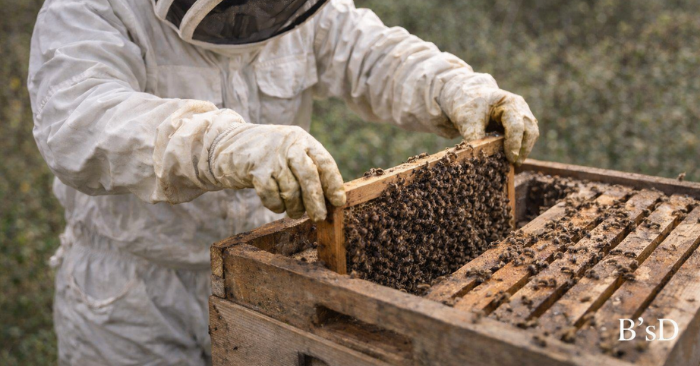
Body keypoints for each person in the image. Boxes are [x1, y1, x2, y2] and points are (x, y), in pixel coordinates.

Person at [28, 0, 539, 364]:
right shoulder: (89, 9)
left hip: (266, 272)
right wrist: (218, 146)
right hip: (134, 294)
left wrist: (453, 87)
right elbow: (77, 120)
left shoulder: (302, 11)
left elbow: (373, 54)